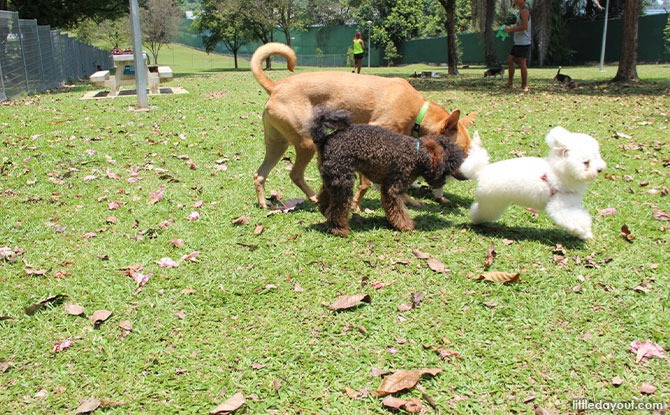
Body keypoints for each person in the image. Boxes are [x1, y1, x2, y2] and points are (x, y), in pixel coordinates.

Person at [504, 0, 531, 91]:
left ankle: (524, 86)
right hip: (518, 42)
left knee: (522, 62)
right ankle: (510, 83)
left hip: (524, 42)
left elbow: (525, 26)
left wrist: (511, 29)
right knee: (510, 59)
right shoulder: (520, 11)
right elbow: (520, 24)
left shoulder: (524, 11)